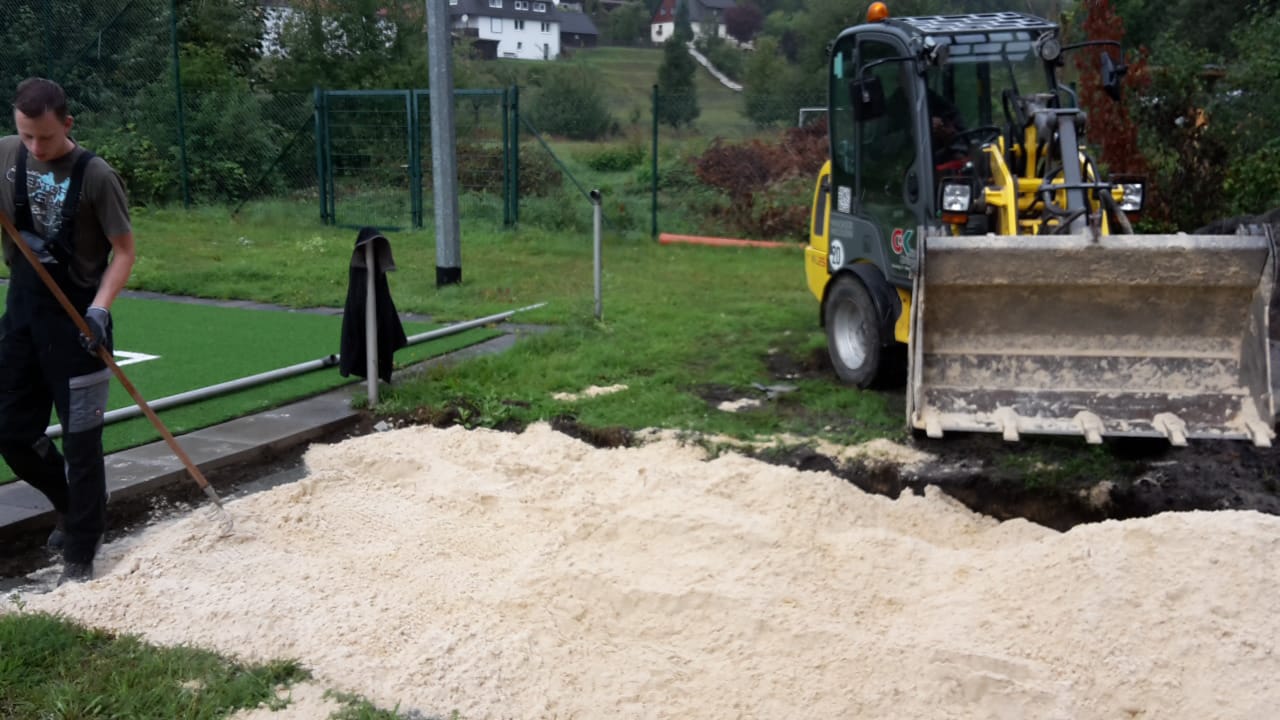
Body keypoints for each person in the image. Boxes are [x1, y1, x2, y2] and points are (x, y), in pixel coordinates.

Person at [0, 77, 135, 585]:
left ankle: (82, 547)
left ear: (68, 124)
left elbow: (124, 252)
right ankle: (74, 503)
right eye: (27, 136)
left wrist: (100, 311)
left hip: (80, 324)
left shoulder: (96, 175)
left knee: (81, 443)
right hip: (22, 319)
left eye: (46, 137)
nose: (36, 147)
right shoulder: (6, 155)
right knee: (11, 433)